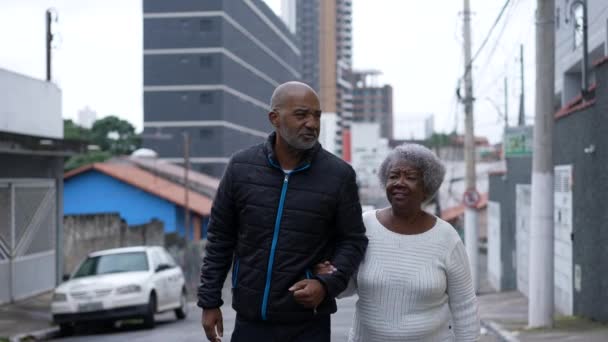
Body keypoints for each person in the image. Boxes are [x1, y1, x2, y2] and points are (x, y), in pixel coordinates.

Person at [197, 81, 368, 342]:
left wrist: (325, 285)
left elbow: (353, 240)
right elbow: (220, 237)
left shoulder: (339, 175)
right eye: (301, 114)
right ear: (274, 118)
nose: (312, 123)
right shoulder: (241, 168)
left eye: (317, 115)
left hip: (308, 325)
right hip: (250, 323)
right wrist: (209, 302)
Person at [316, 144, 480, 341]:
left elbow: (465, 307)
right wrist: (330, 275)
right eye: (393, 176)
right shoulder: (363, 226)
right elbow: (347, 286)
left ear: (427, 186)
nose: (399, 183)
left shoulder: (446, 237)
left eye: (410, 177)